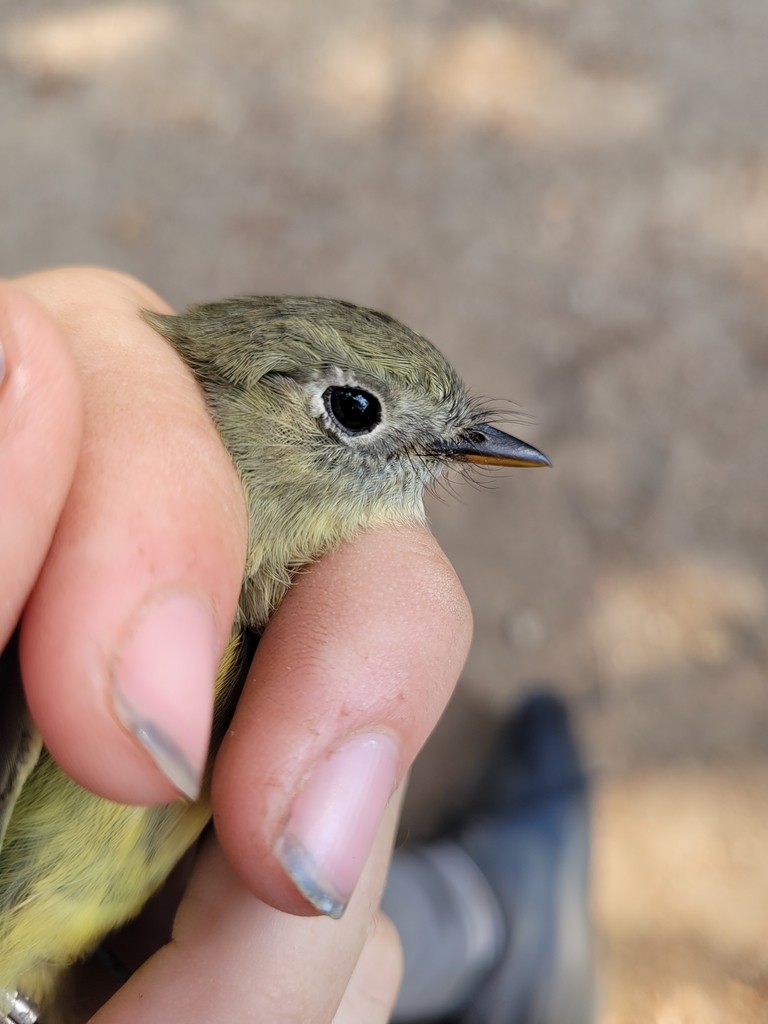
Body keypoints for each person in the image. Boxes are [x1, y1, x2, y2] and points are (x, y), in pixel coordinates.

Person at [1, 268, 593, 1023]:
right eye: (356, 411)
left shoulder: (249, 631)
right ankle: (487, 920)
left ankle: (485, 922)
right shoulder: (64, 562)